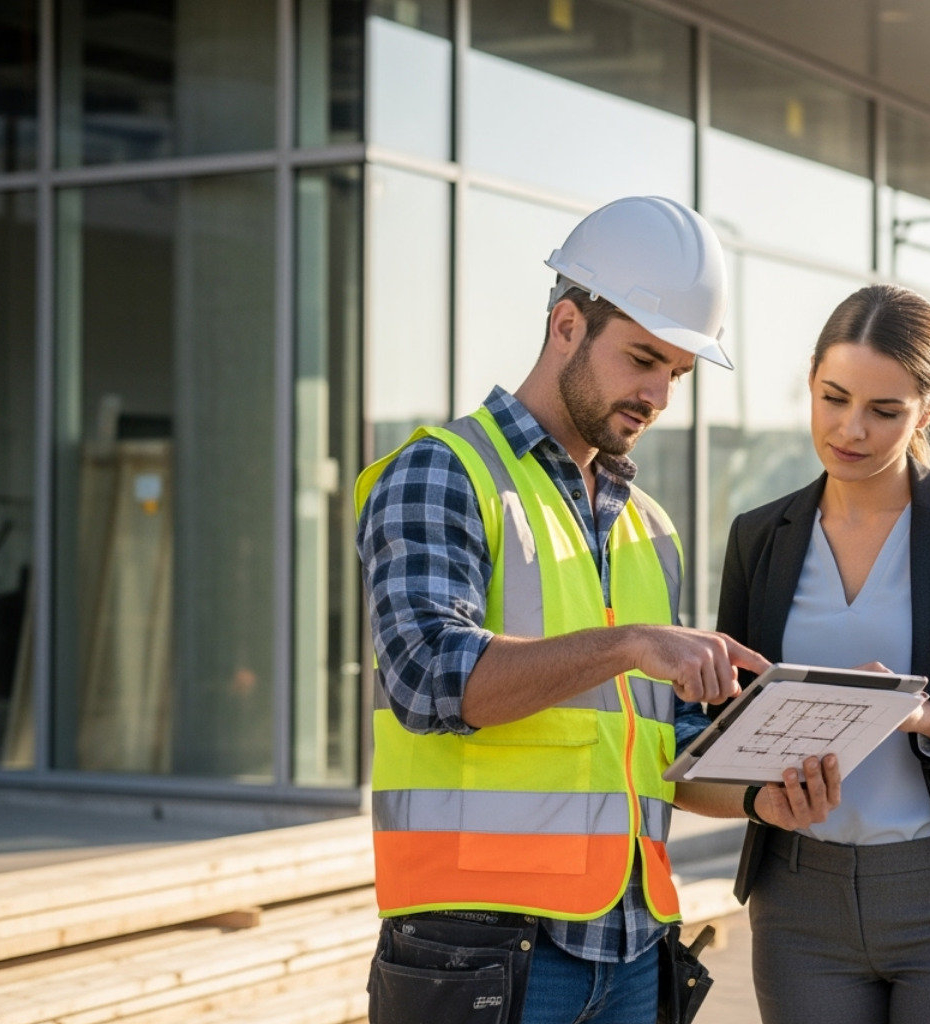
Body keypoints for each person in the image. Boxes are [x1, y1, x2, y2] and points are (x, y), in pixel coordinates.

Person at [354, 195, 839, 1024]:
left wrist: (767, 787)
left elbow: (668, 754)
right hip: (486, 956)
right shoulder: (445, 473)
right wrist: (628, 644)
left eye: (677, 375)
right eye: (643, 359)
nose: (656, 394)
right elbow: (430, 678)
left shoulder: (650, 530)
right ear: (567, 325)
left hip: (634, 949)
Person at [715, 283, 930, 1024]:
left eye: (885, 411)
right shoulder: (760, 537)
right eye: (833, 398)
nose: (851, 429)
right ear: (811, 378)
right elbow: (726, 725)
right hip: (798, 901)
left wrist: (927, 714)